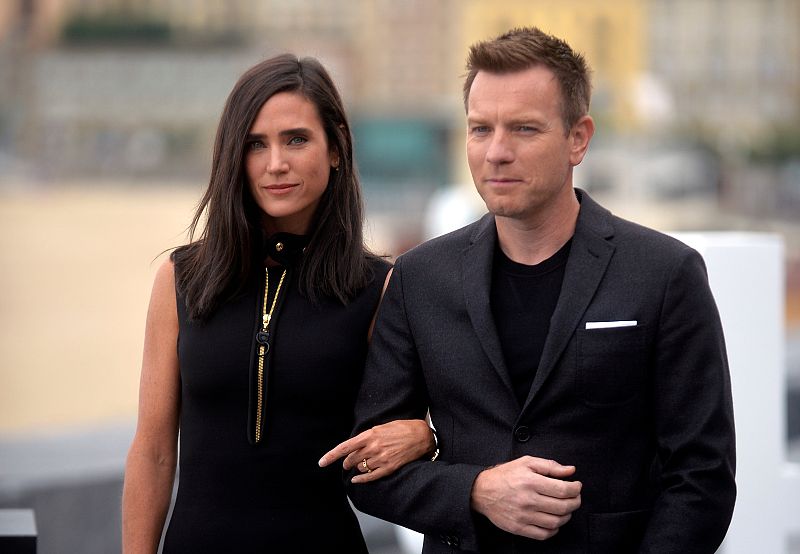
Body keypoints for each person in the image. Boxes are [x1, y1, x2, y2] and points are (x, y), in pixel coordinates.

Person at [324, 27, 736, 553]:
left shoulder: (664, 273)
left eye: (524, 129)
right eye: (481, 129)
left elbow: (703, 476)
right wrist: (475, 490)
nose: (497, 152)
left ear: (578, 138)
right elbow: (367, 471)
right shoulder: (418, 278)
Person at [121, 54, 436, 554]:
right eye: (255, 144)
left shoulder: (378, 287)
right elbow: (154, 452)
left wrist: (425, 435)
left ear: (336, 148)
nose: (275, 164)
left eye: (296, 139)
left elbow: (408, 426)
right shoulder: (181, 279)